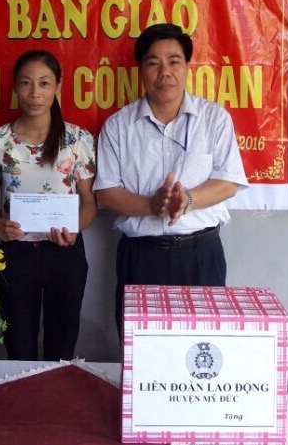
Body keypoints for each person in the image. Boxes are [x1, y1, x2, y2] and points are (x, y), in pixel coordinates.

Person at [93, 23, 249, 333]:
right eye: (153, 63)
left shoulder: (214, 119)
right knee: (142, 350)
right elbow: (106, 194)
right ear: (141, 70)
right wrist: (151, 206)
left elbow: (228, 182)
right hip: (141, 257)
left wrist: (188, 199)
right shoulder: (118, 126)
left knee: (201, 348)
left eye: (174, 61)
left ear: (188, 66)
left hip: (200, 255)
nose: (164, 72)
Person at [0, 49, 97, 361]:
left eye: (44, 83)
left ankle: (57, 393)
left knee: (63, 347)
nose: (34, 93)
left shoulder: (77, 140)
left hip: (65, 252)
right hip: (15, 254)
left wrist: (75, 230)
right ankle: (23, 393)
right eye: (26, 83)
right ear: (15, 87)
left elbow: (89, 202)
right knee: (18, 345)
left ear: (58, 87)